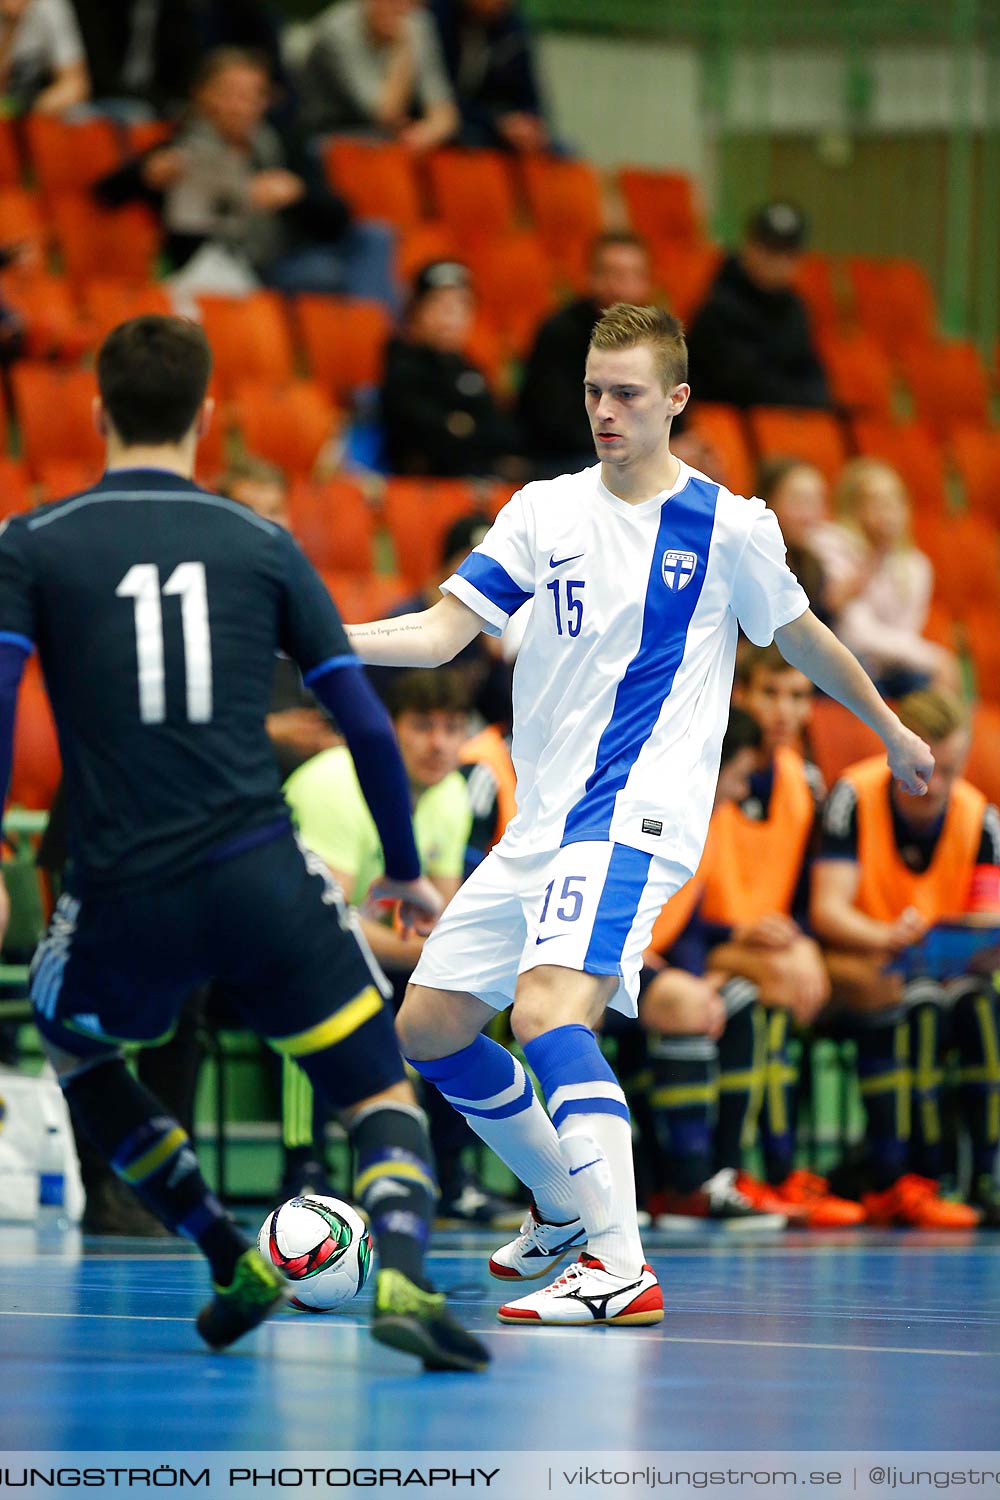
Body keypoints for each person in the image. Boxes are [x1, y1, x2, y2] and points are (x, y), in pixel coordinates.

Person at [344, 300, 934, 1326]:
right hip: (541, 822)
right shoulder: (541, 508)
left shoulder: (731, 525)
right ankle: (570, 1208)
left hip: (635, 818)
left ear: (675, 400)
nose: (605, 411)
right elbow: (443, 636)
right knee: (432, 1029)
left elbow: (800, 640)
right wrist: (320, 636)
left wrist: (887, 728)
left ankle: (618, 1262)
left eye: (625, 394)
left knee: (543, 1012)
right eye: (591, 392)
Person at [0, 314, 489, 1372]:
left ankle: (226, 1253)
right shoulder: (262, 542)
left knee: (74, 1039)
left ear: (98, 413)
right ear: (206, 418)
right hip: (260, 872)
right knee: (375, 1092)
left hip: (122, 882)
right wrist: (402, 869)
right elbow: (364, 718)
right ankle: (401, 1270)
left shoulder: (30, 543)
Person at [284, 666, 520, 1225]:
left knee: (455, 998)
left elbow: (444, 916)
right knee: (314, 982)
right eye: (422, 727)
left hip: (377, 946)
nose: (440, 743)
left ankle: (451, 1178)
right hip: (277, 945)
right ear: (388, 731)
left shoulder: (451, 793)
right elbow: (325, 918)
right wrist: (425, 953)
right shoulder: (336, 783)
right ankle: (303, 1170)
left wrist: (443, 960)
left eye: (451, 727)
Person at [811, 688, 1000, 1228]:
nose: (935, 786)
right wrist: (884, 935)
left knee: (980, 1006)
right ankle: (905, 1177)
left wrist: (976, 945)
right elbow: (828, 909)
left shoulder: (979, 816)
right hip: (868, 964)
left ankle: (984, 1178)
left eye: (950, 769)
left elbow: (987, 921)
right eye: (923, 768)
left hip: (946, 972)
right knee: (913, 1002)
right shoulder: (853, 794)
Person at [94, 48, 396, 306]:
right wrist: (147, 173)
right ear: (202, 95)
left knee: (375, 235)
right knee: (324, 272)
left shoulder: (281, 144)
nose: (239, 106)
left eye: (251, 96)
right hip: (223, 265)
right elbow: (105, 192)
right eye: (228, 94)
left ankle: (379, 344)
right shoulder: (181, 146)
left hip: (285, 252)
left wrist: (297, 194)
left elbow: (339, 216)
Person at [813, 457, 958, 697]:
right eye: (876, 501)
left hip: (889, 666)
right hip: (842, 660)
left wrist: (928, 660)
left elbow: (905, 632)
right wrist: (932, 656)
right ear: (853, 506)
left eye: (895, 500)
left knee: (930, 693)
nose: (888, 511)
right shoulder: (830, 544)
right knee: (863, 677)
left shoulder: (915, 564)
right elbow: (855, 634)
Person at [517, 231, 651, 478]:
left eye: (633, 275)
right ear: (591, 277)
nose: (621, 284)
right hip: (564, 458)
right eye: (613, 273)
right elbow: (558, 425)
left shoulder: (654, 336)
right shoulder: (560, 332)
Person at [381, 259, 519, 478]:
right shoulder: (400, 366)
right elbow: (420, 436)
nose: (450, 316)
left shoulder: (471, 370)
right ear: (416, 312)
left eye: (461, 306)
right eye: (439, 304)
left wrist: (463, 428)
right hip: (424, 490)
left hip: (477, 482)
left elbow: (504, 434)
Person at [686, 201, 831, 410]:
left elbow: (814, 376)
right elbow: (743, 384)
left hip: (777, 424)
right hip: (721, 427)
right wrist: (798, 400)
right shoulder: (717, 307)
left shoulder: (795, 309)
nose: (778, 261)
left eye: (788, 253)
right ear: (749, 247)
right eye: (770, 250)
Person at [301, 0, 458, 151]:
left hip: (390, 136)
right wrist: (403, 49)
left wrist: (424, 134)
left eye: (411, 2)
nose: (401, 9)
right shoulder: (337, 29)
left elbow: (445, 113)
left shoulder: (417, 21)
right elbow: (385, 114)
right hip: (330, 132)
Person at [429, 0, 547, 152]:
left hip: (502, 132)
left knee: (561, 149)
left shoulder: (514, 27)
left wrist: (528, 123)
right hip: (454, 126)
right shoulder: (436, 18)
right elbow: (438, 101)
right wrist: (496, 122)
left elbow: (531, 98)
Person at [0, 0, 89, 114]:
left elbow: (76, 85)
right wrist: (11, 26)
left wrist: (27, 108)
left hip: (35, 111)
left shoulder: (50, 6)